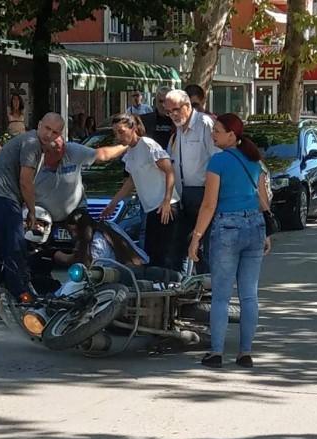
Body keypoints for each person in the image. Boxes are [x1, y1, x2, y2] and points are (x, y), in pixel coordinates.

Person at [188, 113, 272, 369]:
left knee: (221, 296)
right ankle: (245, 352)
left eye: (217, 130)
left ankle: (216, 353)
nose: (213, 134)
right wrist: (266, 233)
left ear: (232, 135)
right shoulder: (254, 160)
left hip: (227, 227)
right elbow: (262, 200)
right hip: (254, 226)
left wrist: (196, 237)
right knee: (249, 295)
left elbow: (209, 204)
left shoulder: (218, 162)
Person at [0, 112, 65, 303]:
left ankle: (8, 291)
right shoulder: (32, 143)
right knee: (15, 249)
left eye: (54, 132)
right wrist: (32, 212)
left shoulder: (31, 143)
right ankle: (21, 295)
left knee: (10, 249)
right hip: (2, 200)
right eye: (47, 128)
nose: (48, 134)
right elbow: (26, 181)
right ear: (39, 124)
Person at [102, 113, 183, 271]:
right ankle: (158, 287)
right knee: (152, 253)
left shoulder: (147, 144)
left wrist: (167, 201)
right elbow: (132, 181)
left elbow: (169, 171)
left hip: (165, 206)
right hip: (151, 208)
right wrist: (113, 203)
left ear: (133, 128)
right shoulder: (130, 153)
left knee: (166, 254)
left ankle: (172, 285)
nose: (118, 136)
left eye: (121, 131)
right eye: (115, 132)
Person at [165, 89, 219, 273]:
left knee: (202, 246)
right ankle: (182, 286)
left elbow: (217, 159)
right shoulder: (179, 129)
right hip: (183, 194)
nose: (173, 115)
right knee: (178, 246)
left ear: (188, 106)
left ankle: (209, 287)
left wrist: (211, 194)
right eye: (169, 112)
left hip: (204, 192)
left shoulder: (204, 124)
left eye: (176, 110)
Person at [35, 134, 128, 223]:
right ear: (45, 151)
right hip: (41, 217)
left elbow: (103, 154)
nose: (61, 155)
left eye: (62, 150)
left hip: (76, 215)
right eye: (55, 152)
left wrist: (126, 146)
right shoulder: (33, 159)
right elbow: (23, 186)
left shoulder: (72, 150)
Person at [53, 208, 149, 268]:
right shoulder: (108, 225)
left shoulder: (96, 243)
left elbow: (89, 269)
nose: (73, 235)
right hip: (141, 263)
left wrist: (60, 256)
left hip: (130, 272)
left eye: (75, 231)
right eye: (71, 232)